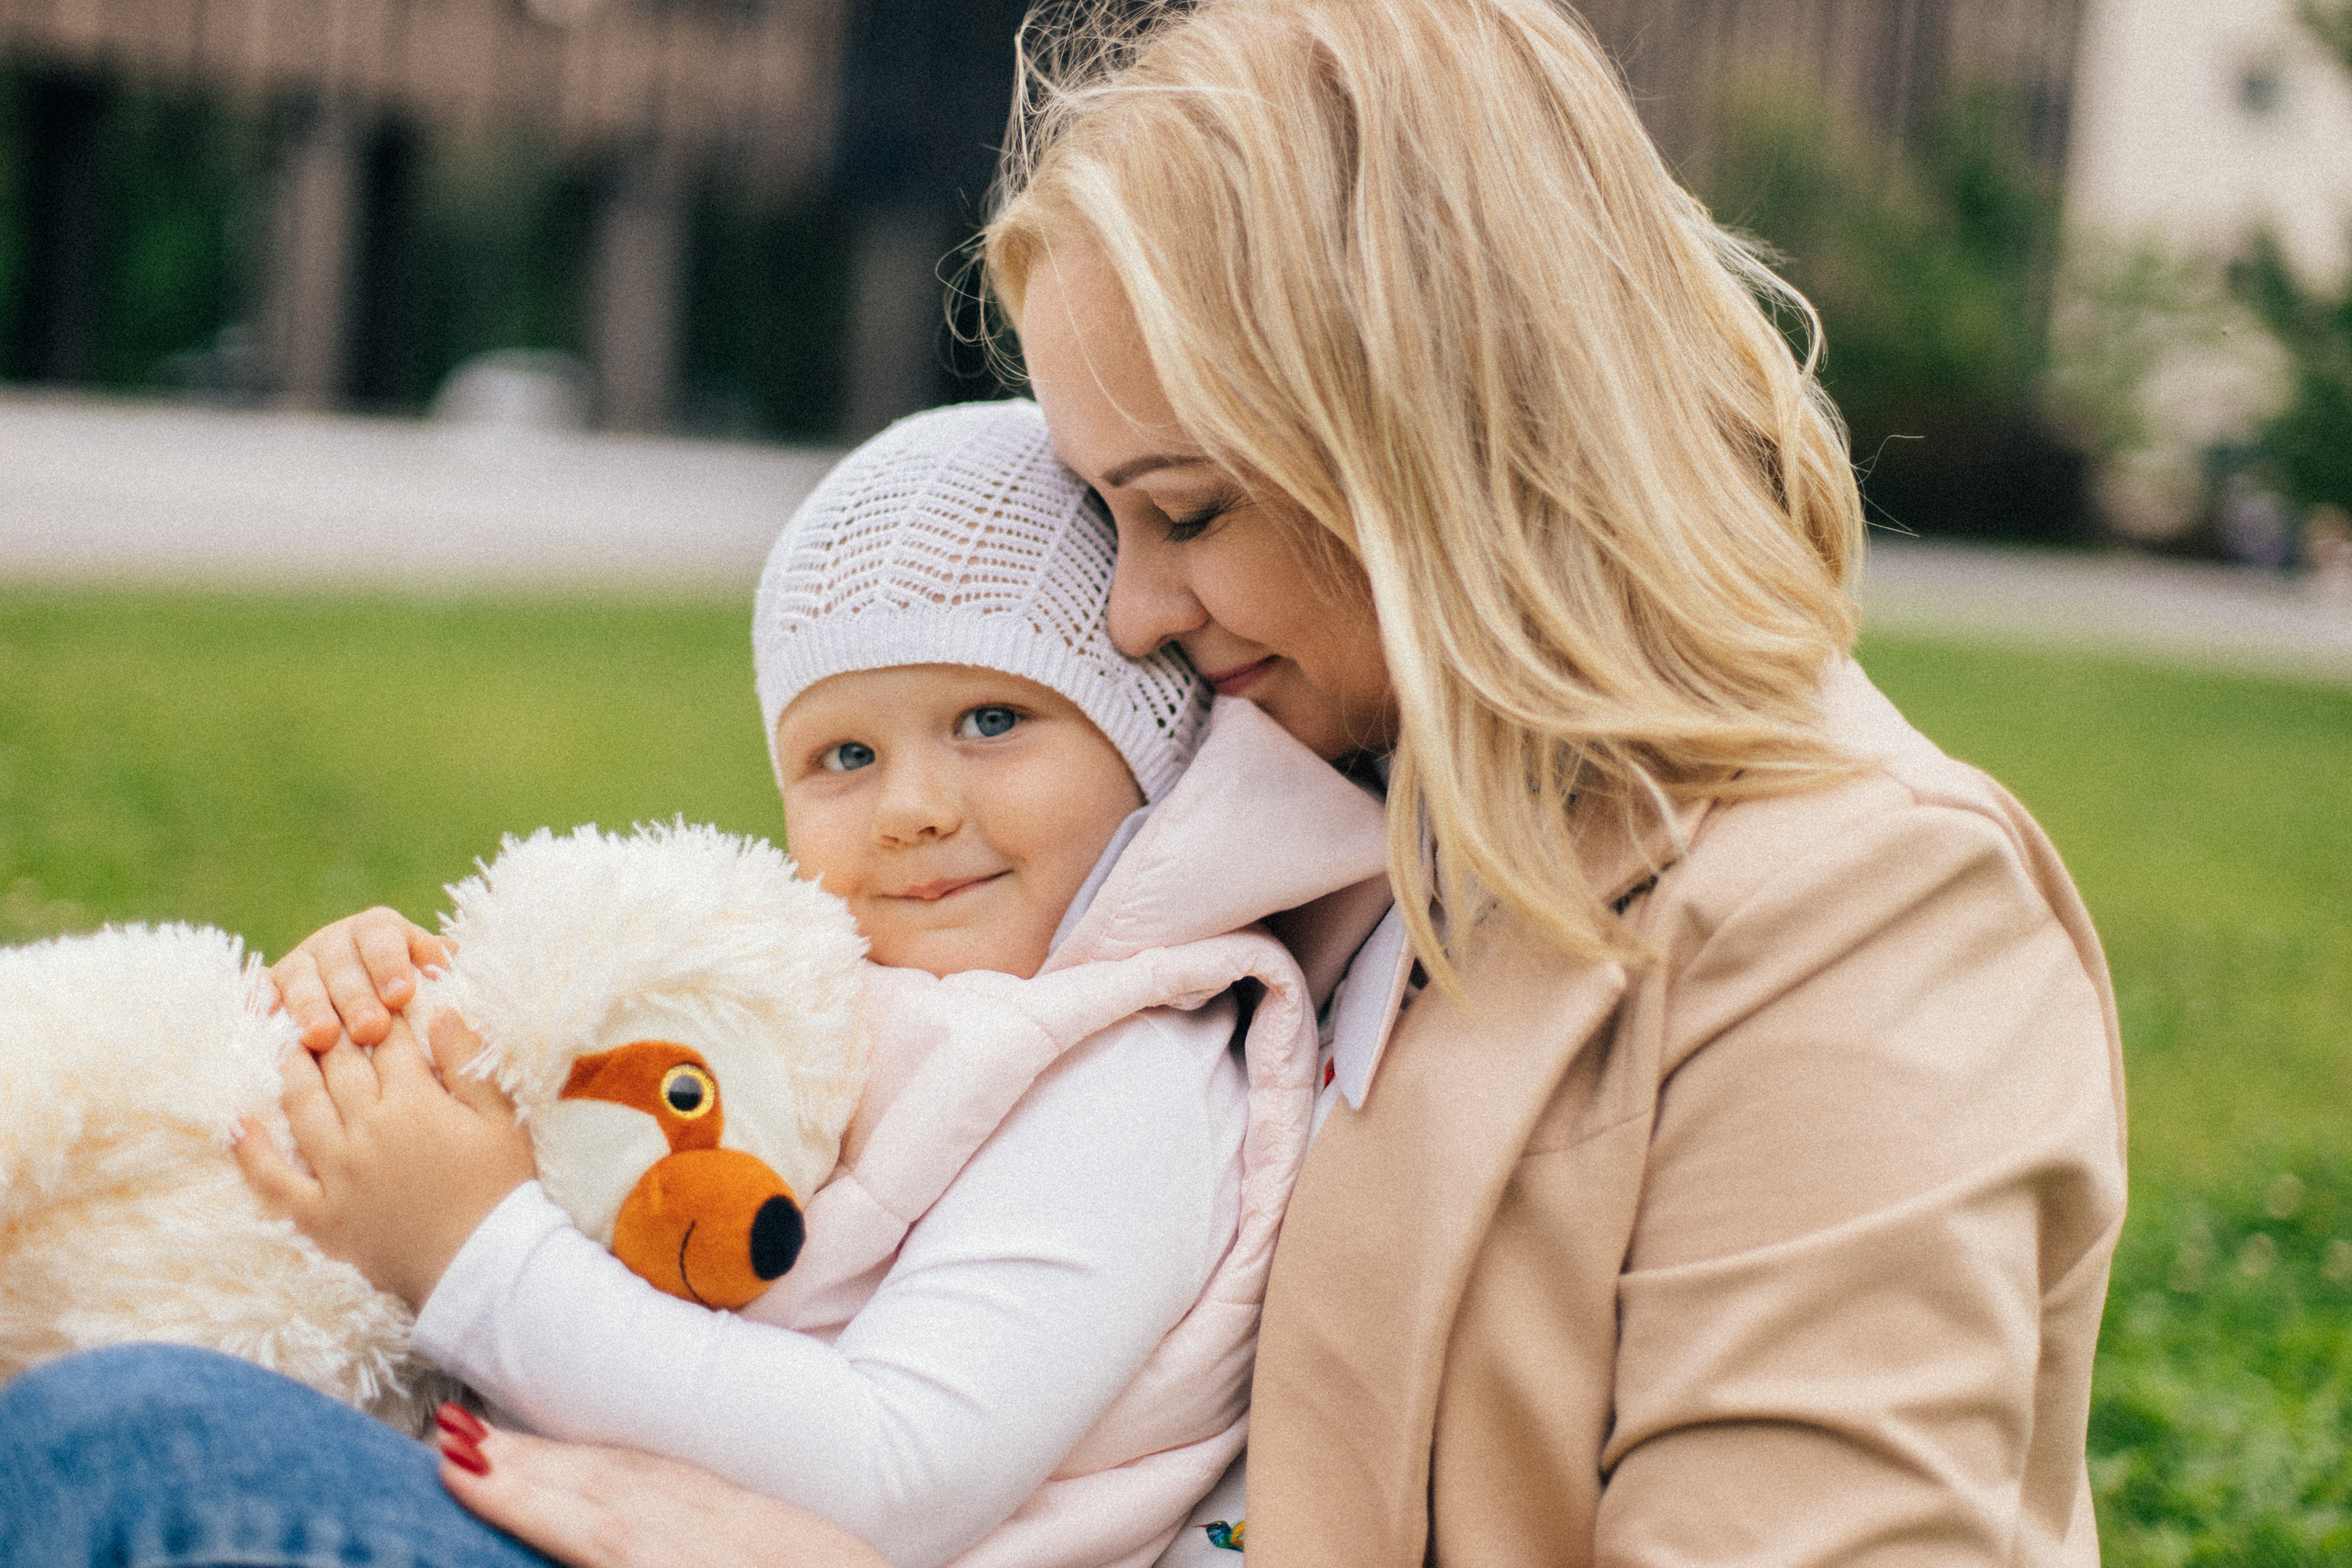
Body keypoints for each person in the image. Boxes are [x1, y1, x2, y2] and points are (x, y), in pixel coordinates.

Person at [0, 2, 2127, 1564]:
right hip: (727, 1488)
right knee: (123, 1398)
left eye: (1181, 508)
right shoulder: (1324, 793)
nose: (1123, 619)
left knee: (129, 1461)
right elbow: (815, 1105)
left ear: (1430, 434)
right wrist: (443, 1046)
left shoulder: (1864, 920)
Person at [0, 400, 1389, 1568]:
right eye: (843, 756)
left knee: (129, 1448)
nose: (909, 806)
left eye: (991, 721)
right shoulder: (829, 997)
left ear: (1149, 748)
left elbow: (897, 1469)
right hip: (564, 1495)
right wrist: (399, 1027)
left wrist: (470, 1248)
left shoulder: (1137, 1073)